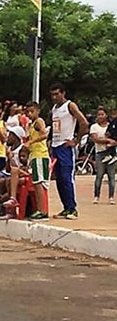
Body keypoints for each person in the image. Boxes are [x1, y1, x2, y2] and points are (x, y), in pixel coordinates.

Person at [49, 83, 89, 219]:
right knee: (59, 179)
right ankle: (66, 207)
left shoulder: (70, 106)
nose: (54, 97)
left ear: (63, 93)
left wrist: (76, 140)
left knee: (67, 178)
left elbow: (84, 122)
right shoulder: (54, 108)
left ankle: (72, 208)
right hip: (55, 146)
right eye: (52, 95)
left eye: (57, 94)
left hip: (65, 146)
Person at [24, 101, 50, 220]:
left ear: (37, 111)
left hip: (40, 155)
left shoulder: (39, 122)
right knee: (36, 183)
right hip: (34, 155)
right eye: (27, 112)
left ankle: (42, 210)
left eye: (32, 111)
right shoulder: (31, 125)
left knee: (39, 183)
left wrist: (31, 142)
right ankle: (40, 209)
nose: (29, 114)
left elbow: (44, 134)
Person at [90, 107, 116, 204]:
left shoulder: (111, 126)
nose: (100, 116)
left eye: (102, 114)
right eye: (98, 115)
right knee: (99, 175)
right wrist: (109, 140)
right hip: (100, 153)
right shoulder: (94, 127)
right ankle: (96, 196)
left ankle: (111, 197)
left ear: (106, 115)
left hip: (111, 152)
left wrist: (113, 142)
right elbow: (96, 139)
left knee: (111, 176)